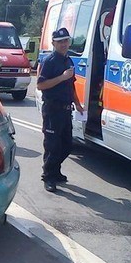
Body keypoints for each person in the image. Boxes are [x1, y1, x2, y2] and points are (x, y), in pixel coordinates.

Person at [36, 27, 84, 193]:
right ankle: (48, 176)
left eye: (66, 41)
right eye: (60, 42)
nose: (63, 44)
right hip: (52, 109)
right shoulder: (50, 61)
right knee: (52, 145)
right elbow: (41, 85)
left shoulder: (68, 60)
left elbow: (71, 84)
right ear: (54, 43)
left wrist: (77, 103)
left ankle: (55, 171)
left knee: (67, 145)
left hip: (65, 110)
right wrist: (62, 77)